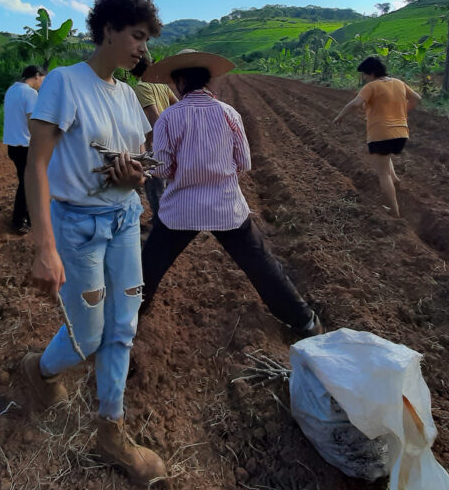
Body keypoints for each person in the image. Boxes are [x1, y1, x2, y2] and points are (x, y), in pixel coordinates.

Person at [23, 0, 167, 486]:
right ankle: (38, 371)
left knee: (123, 327)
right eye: (136, 36)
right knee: (88, 335)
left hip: (125, 219)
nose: (142, 50)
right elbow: (36, 166)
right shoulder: (65, 82)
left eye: (146, 41)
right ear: (107, 29)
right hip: (78, 227)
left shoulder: (127, 95)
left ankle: (112, 432)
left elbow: (131, 167)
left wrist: (134, 177)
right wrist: (44, 247)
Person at [138, 49, 323, 338]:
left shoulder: (168, 118)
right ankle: (305, 322)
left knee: (148, 266)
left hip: (180, 210)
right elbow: (244, 164)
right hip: (226, 206)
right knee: (262, 264)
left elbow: (162, 169)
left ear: (180, 80)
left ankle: (126, 317)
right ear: (206, 80)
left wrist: (179, 171)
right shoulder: (229, 113)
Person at [333, 56, 421, 218]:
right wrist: (402, 113)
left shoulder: (371, 86)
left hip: (381, 133)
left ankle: (394, 211)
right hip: (401, 133)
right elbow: (417, 99)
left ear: (372, 72)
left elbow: (355, 104)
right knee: (385, 156)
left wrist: (340, 116)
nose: (364, 78)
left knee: (382, 173)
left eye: (365, 75)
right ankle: (395, 179)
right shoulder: (399, 83)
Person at [130, 54, 178, 218]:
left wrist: (151, 147)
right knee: (164, 185)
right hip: (168, 142)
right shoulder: (162, 86)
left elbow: (154, 117)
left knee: (154, 187)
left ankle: (161, 221)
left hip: (154, 144)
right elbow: (178, 106)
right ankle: (166, 217)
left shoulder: (142, 87)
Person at [3, 65, 45, 232]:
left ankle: (27, 216)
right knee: (28, 182)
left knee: (26, 180)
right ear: (36, 75)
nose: (42, 83)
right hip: (25, 145)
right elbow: (31, 121)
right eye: (42, 78)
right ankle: (19, 220)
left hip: (12, 145)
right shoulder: (30, 93)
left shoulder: (12, 90)